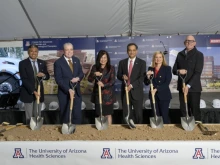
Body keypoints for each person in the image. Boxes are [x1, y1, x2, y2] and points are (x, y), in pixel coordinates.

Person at [173, 35, 204, 121]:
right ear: (184, 43)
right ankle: (185, 131)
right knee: (184, 110)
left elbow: (198, 73)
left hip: (194, 88)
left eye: (191, 41)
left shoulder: (199, 55)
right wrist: (179, 71)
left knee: (195, 111)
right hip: (182, 87)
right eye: (187, 41)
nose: (189, 42)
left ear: (195, 43)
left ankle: (197, 129)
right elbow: (174, 70)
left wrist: (188, 85)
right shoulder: (180, 54)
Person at [19, 44, 50, 124]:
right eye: (32, 51)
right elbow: (24, 79)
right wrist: (33, 91)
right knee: (29, 116)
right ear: (28, 52)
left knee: (37, 113)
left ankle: (37, 131)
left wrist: (43, 75)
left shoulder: (42, 63)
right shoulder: (22, 63)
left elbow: (47, 76)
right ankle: (29, 132)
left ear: (38, 52)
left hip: (39, 92)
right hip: (28, 92)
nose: (34, 53)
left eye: (35, 51)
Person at [54, 43, 84, 124]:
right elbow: (58, 79)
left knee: (77, 115)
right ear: (63, 51)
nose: (69, 51)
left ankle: (76, 133)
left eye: (71, 49)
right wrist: (68, 90)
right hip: (65, 93)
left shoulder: (76, 60)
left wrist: (78, 78)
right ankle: (66, 134)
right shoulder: (58, 63)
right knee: (65, 115)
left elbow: (81, 73)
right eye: (67, 50)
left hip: (76, 92)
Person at [117, 43, 146, 125]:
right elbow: (118, 75)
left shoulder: (142, 63)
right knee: (126, 113)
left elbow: (141, 78)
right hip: (125, 92)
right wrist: (122, 77)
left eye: (133, 50)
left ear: (136, 51)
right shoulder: (122, 62)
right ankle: (128, 129)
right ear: (127, 51)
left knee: (138, 114)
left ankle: (139, 130)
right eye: (130, 50)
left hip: (137, 92)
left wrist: (131, 86)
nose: (132, 52)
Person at [88, 50, 116, 125]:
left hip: (108, 96)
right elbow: (89, 79)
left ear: (107, 58)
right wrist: (94, 74)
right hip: (98, 95)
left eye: (105, 57)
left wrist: (104, 84)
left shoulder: (111, 68)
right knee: (100, 114)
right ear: (98, 58)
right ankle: (101, 130)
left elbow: (113, 81)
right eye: (101, 57)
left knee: (108, 114)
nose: (103, 59)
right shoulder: (95, 67)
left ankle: (109, 129)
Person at [144, 51, 172, 124]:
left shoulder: (167, 68)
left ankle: (166, 131)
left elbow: (167, 83)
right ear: (154, 59)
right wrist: (147, 77)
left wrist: (156, 89)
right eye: (156, 57)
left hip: (164, 96)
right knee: (155, 115)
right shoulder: (150, 68)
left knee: (164, 115)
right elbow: (146, 83)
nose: (158, 59)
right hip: (153, 96)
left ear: (163, 58)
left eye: (160, 57)